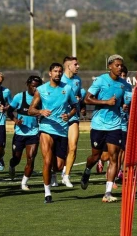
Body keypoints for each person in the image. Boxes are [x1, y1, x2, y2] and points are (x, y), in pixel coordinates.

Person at [80, 54, 131, 203]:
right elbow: (87, 99)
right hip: (98, 124)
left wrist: (125, 105)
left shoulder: (124, 85)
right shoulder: (101, 80)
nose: (119, 68)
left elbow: (127, 101)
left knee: (113, 156)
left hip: (115, 125)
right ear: (109, 66)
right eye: (117, 65)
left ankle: (107, 192)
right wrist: (106, 102)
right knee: (95, 157)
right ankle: (87, 170)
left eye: (121, 65)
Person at [28, 63, 77, 204]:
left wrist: (69, 115)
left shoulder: (67, 89)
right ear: (50, 73)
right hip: (46, 128)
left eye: (60, 71)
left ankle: (56, 174)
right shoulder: (41, 90)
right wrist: (40, 111)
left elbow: (75, 107)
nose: (58, 74)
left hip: (62, 130)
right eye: (55, 71)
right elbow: (31, 110)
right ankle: (47, 193)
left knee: (59, 166)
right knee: (47, 161)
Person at [7, 75, 42, 191]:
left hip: (33, 133)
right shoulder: (19, 97)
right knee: (16, 158)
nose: (35, 89)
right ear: (28, 85)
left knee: (31, 158)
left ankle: (24, 183)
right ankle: (12, 166)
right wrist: (16, 121)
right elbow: (10, 111)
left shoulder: (41, 99)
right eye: (33, 86)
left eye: (38, 87)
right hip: (20, 133)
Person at [60, 56, 82, 188]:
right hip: (58, 119)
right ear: (68, 66)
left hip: (73, 117)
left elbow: (78, 96)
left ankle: (66, 175)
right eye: (76, 64)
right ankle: (53, 174)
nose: (78, 66)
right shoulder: (59, 79)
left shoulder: (78, 80)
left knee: (73, 147)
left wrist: (78, 99)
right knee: (58, 151)